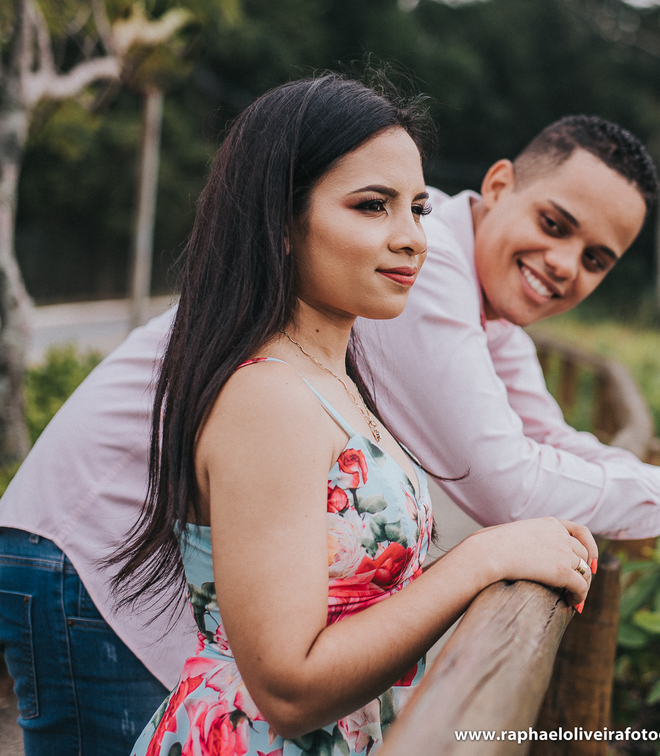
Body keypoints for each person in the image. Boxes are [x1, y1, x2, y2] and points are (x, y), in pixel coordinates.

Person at [0, 91, 660, 755]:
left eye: (597, 258)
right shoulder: (414, 285)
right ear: (499, 185)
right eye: (555, 223)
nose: (566, 264)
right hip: (92, 545)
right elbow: (509, 481)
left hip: (199, 559)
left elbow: (549, 442)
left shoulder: (462, 295)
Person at [109, 75, 599, 754]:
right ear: (280, 221)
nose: (413, 240)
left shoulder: (332, 379)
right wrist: (482, 558)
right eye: (373, 206)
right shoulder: (268, 398)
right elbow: (288, 688)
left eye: (419, 208)